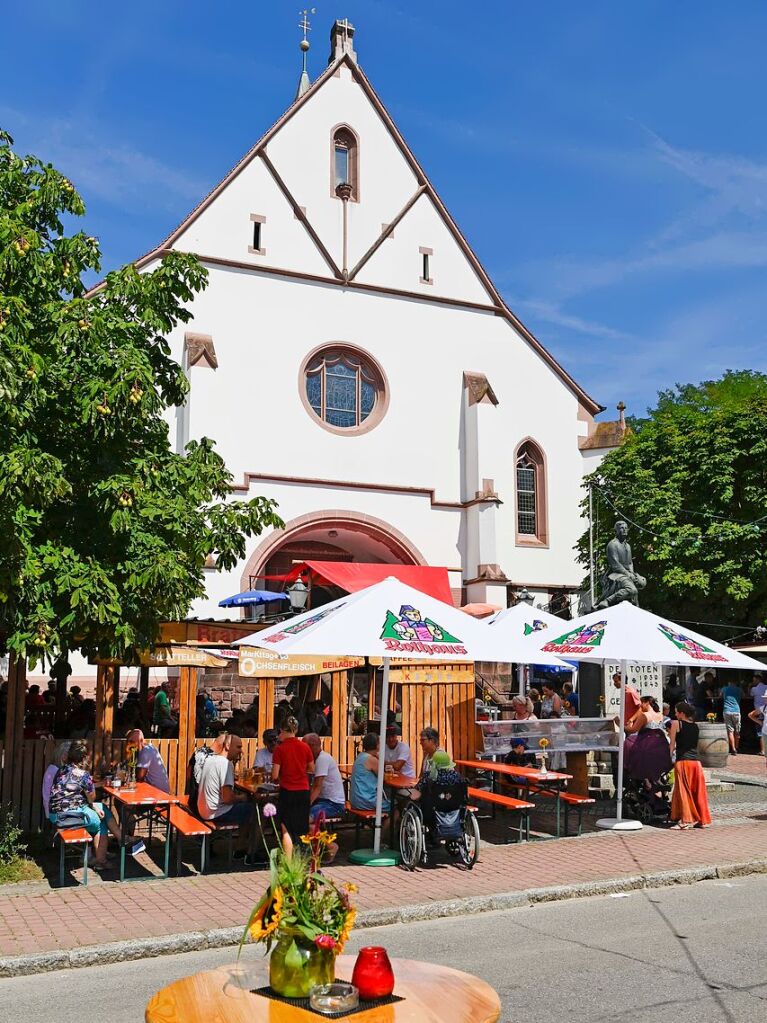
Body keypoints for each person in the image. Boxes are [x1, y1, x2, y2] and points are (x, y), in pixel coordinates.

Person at [48, 740, 141, 866]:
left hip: (55, 815)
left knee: (101, 808)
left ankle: (119, 840)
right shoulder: (83, 775)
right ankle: (102, 859)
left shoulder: (61, 771)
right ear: (84, 758)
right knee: (100, 822)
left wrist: (94, 807)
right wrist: (92, 801)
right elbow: (92, 797)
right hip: (71, 817)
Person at [197, 733, 258, 864]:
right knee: (256, 810)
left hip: (204, 809)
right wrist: (242, 797)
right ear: (228, 746)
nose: (241, 751)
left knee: (246, 808)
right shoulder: (225, 765)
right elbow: (227, 798)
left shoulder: (211, 759)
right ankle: (249, 852)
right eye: (238, 747)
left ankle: (241, 847)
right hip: (215, 812)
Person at [271, 716, 315, 843]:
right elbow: (312, 769)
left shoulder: (279, 749)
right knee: (302, 827)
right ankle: (303, 856)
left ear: (282, 730)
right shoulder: (305, 747)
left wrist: (279, 778)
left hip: (288, 791)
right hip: (303, 791)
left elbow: (274, 775)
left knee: (286, 828)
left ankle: (289, 859)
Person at [668, 702, 711, 829]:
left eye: (676, 712)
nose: (675, 714)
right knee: (698, 792)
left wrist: (668, 758)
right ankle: (702, 820)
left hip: (683, 762)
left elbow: (672, 745)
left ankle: (685, 821)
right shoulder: (696, 726)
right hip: (696, 763)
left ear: (681, 713)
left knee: (683, 792)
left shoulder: (676, 724)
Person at [303, 732, 345, 836]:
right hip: (322, 801)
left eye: (304, 746)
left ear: (312, 745)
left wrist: (305, 805)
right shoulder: (314, 760)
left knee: (304, 818)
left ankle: (329, 846)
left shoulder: (323, 759)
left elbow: (317, 787)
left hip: (333, 804)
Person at [350, 732, 390, 812]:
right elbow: (384, 778)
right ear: (377, 745)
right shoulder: (372, 760)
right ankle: (384, 824)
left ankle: (370, 824)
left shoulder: (360, 756)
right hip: (366, 801)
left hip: (355, 800)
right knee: (395, 808)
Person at [42, 741, 71, 818]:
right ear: (63, 755)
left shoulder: (64, 770)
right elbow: (46, 795)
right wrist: (48, 815)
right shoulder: (53, 770)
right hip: (57, 812)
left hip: (64, 809)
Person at [720, 678, 743, 755]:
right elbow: (745, 695)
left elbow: (720, 696)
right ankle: (737, 747)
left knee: (730, 731)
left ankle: (733, 749)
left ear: (729, 682)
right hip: (736, 711)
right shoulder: (739, 689)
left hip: (727, 710)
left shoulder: (724, 688)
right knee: (737, 731)